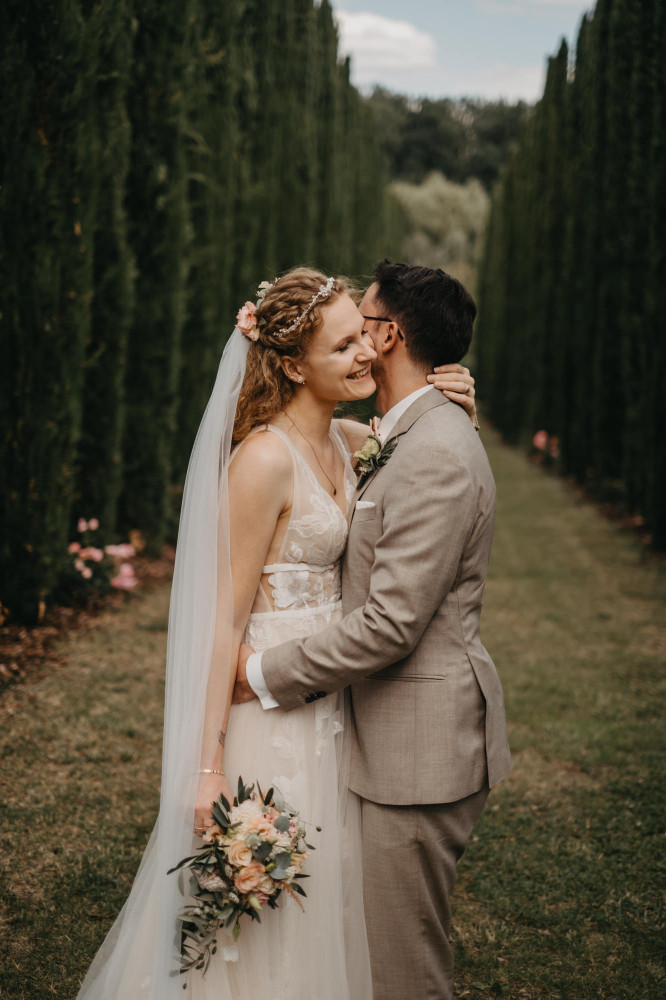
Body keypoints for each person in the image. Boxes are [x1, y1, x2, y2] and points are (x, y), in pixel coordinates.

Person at [75, 266, 478, 1000]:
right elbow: (222, 621)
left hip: (334, 705)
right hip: (266, 709)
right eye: (343, 346)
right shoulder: (262, 460)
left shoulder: (352, 441)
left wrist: (450, 403)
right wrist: (206, 769)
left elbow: (419, 448)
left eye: (364, 337)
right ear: (292, 365)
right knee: (260, 915)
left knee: (329, 894)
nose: (366, 353)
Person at [234, 260, 512, 1000]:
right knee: (373, 951)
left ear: (388, 337)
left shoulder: (434, 451)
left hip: (418, 750)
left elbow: (390, 625)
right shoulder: (399, 431)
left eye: (363, 325)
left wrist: (258, 672)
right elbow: (315, 428)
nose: (355, 340)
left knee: (404, 971)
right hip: (378, 732)